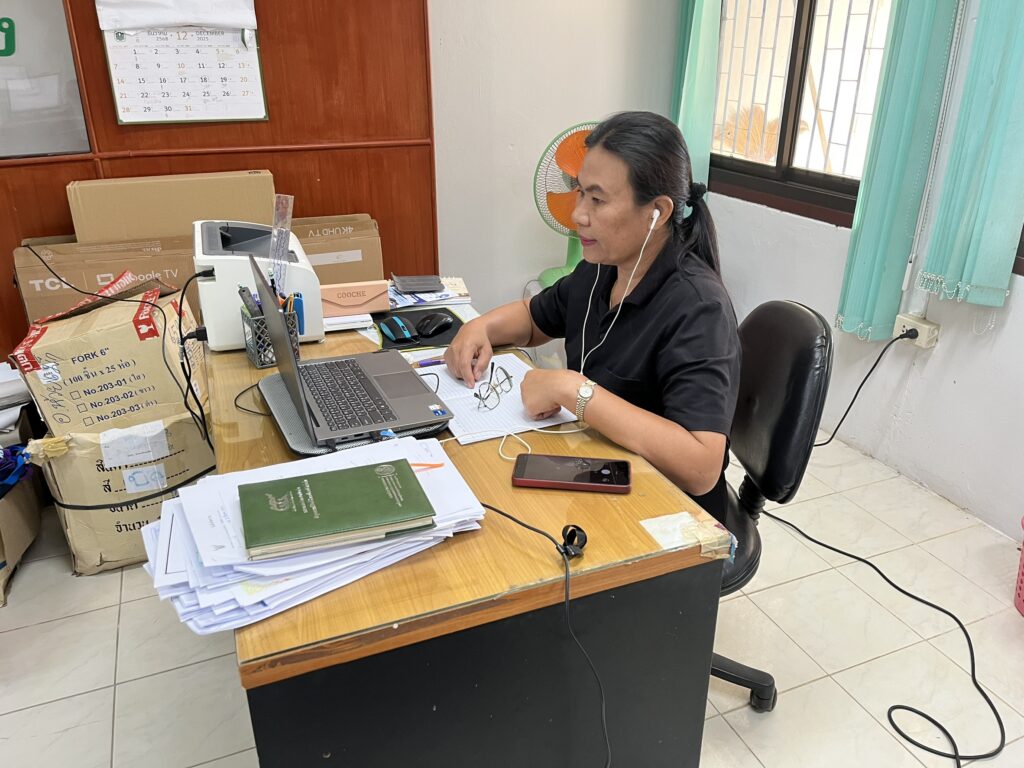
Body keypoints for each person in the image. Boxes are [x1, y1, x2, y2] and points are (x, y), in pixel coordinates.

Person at [444, 111, 741, 520]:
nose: (578, 214)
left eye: (597, 200)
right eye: (580, 193)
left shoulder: (698, 307)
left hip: (666, 513)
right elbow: (533, 318)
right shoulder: (601, 267)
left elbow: (701, 466)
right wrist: (479, 327)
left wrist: (574, 391)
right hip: (597, 475)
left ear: (657, 212)